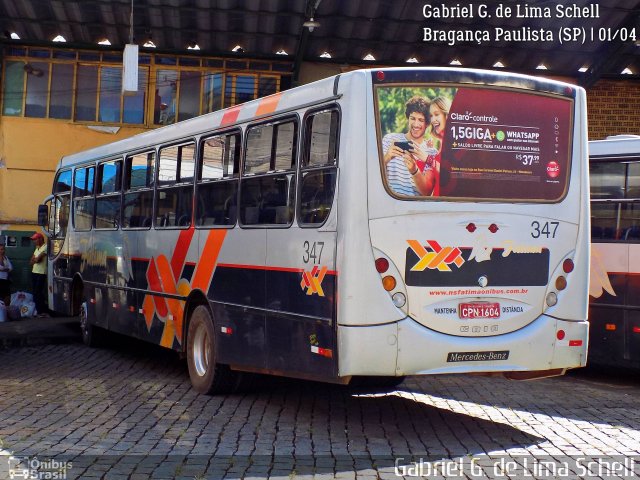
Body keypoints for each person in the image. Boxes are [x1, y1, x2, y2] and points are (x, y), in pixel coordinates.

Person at [382, 96, 437, 196]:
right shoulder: (389, 139)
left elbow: (427, 193)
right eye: (413, 118)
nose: (416, 124)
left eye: (421, 120)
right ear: (408, 118)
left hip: (414, 208)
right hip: (389, 202)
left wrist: (414, 170)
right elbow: (372, 173)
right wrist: (386, 157)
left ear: (428, 124)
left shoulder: (432, 153)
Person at [426, 96, 451, 197]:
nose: (433, 120)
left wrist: (427, 159)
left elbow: (450, 177)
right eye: (431, 116)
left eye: (436, 114)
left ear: (447, 114)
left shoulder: (454, 141)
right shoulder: (441, 142)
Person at [29, 232, 48, 317]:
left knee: (38, 292)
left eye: (35, 239)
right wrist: (35, 259)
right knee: (36, 292)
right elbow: (31, 261)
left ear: (40, 239)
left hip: (41, 273)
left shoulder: (46, 247)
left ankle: (40, 311)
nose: (34, 241)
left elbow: (37, 260)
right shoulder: (37, 249)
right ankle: (40, 310)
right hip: (34, 272)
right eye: (33, 240)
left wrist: (35, 260)